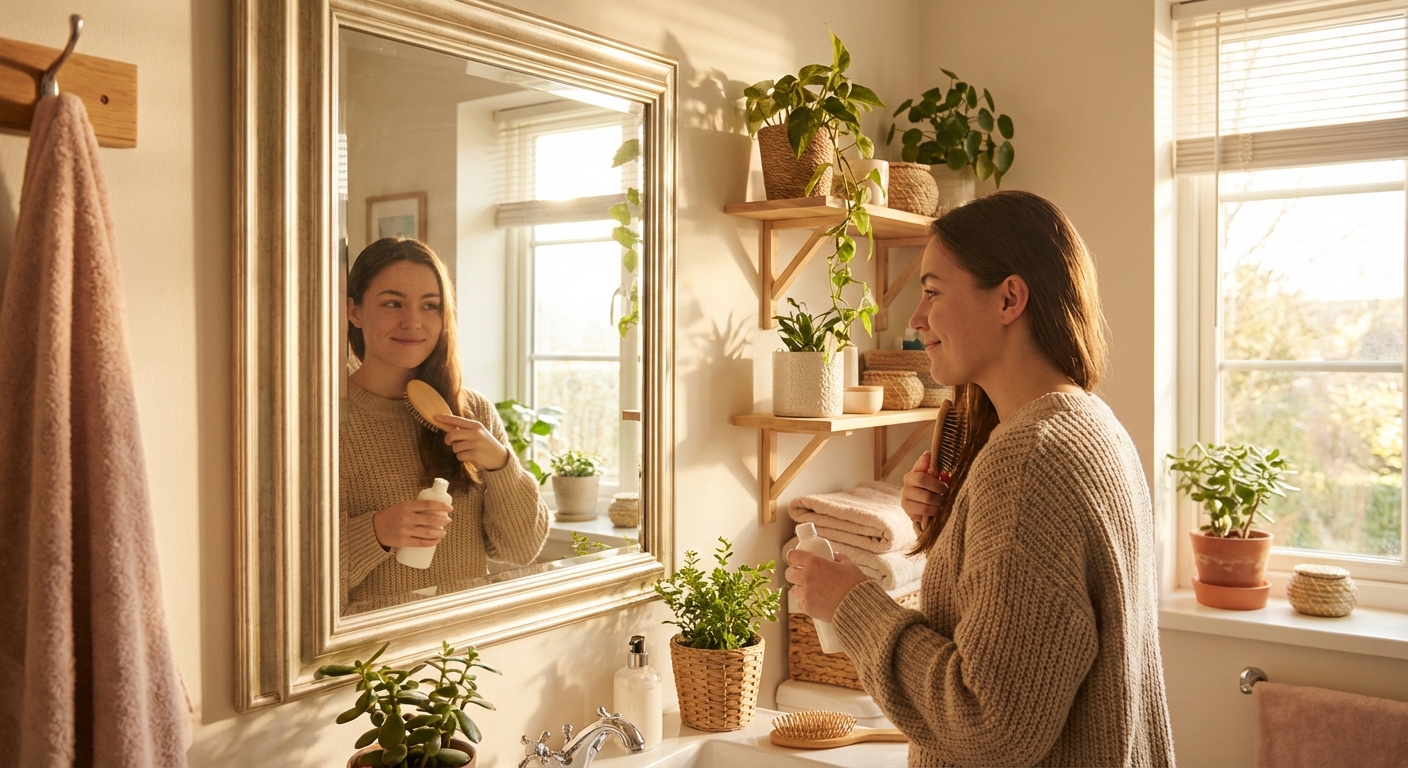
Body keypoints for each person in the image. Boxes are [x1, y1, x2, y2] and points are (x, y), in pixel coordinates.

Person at [785, 191, 1175, 766]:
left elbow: (989, 723)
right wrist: (950, 526)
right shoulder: (1089, 423)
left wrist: (853, 605)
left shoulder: (1029, 461)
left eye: (934, 291)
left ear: (1009, 299)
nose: (916, 319)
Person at [341, 237, 548, 609]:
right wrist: (376, 532)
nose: (413, 321)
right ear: (353, 312)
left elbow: (521, 550)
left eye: (430, 306)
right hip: (370, 657)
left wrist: (500, 463)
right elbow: (292, 571)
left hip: (463, 652)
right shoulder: (325, 424)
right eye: (392, 303)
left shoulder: (473, 412)